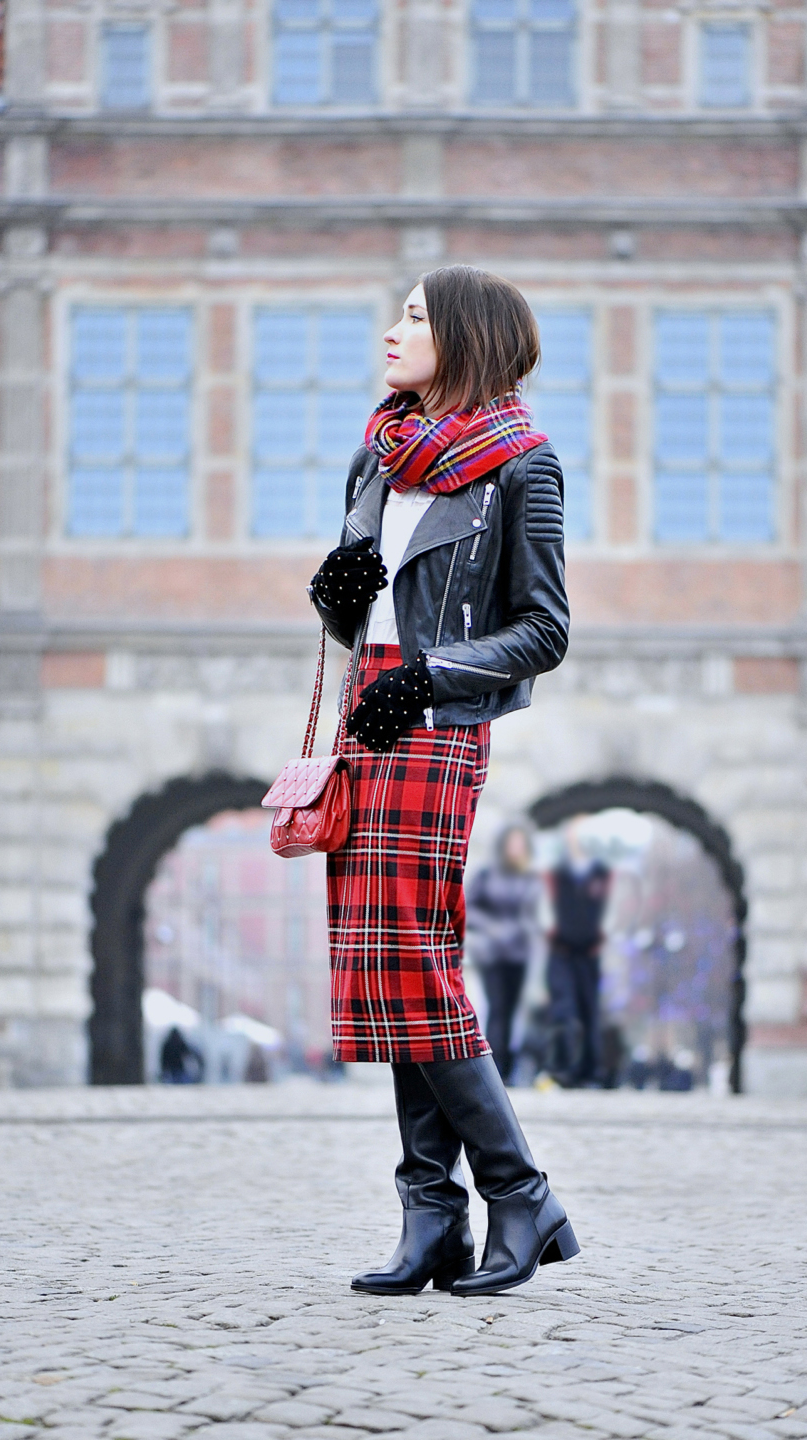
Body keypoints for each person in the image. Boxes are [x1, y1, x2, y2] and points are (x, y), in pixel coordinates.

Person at [309, 266, 579, 1298]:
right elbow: (359, 614)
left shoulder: (523, 465)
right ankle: (432, 1217)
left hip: (434, 725)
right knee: (387, 970)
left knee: (415, 962)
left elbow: (544, 629)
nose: (392, 330)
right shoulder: (379, 455)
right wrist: (334, 596)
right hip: (366, 718)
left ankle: (519, 1192)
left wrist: (430, 676)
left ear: (463, 337)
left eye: (414, 317)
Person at [466, 823, 540, 1083]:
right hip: (492, 953)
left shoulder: (529, 878)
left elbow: (534, 915)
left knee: (511, 1011)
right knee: (497, 1008)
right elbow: (468, 908)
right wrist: (492, 928)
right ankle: (493, 1068)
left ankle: (506, 1069)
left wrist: (525, 929)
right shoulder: (487, 875)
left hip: (518, 954)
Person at [546, 823, 612, 1088]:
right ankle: (562, 1068)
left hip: (589, 952)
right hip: (561, 951)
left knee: (589, 1011)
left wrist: (605, 936)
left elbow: (612, 910)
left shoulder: (601, 872)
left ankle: (590, 1071)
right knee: (563, 1011)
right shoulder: (556, 872)